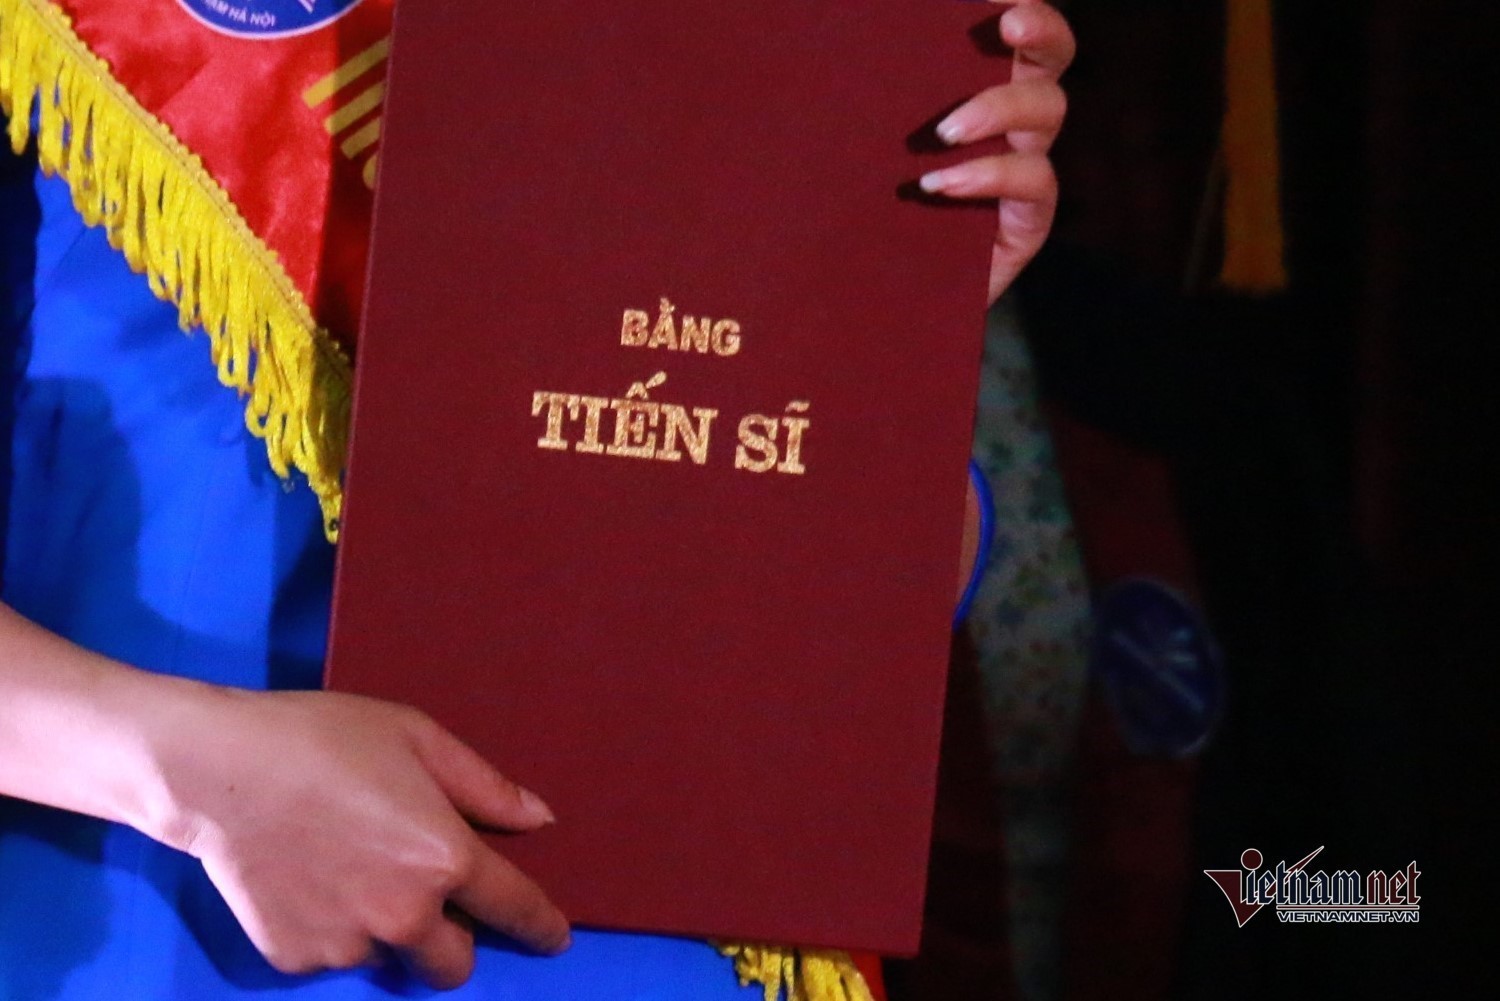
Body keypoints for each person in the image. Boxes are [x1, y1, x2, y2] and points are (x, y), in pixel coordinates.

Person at [0, 2, 1075, 997]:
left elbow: (855, 617)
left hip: (671, 936)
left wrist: (894, 322)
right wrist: (186, 771)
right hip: (189, 911)